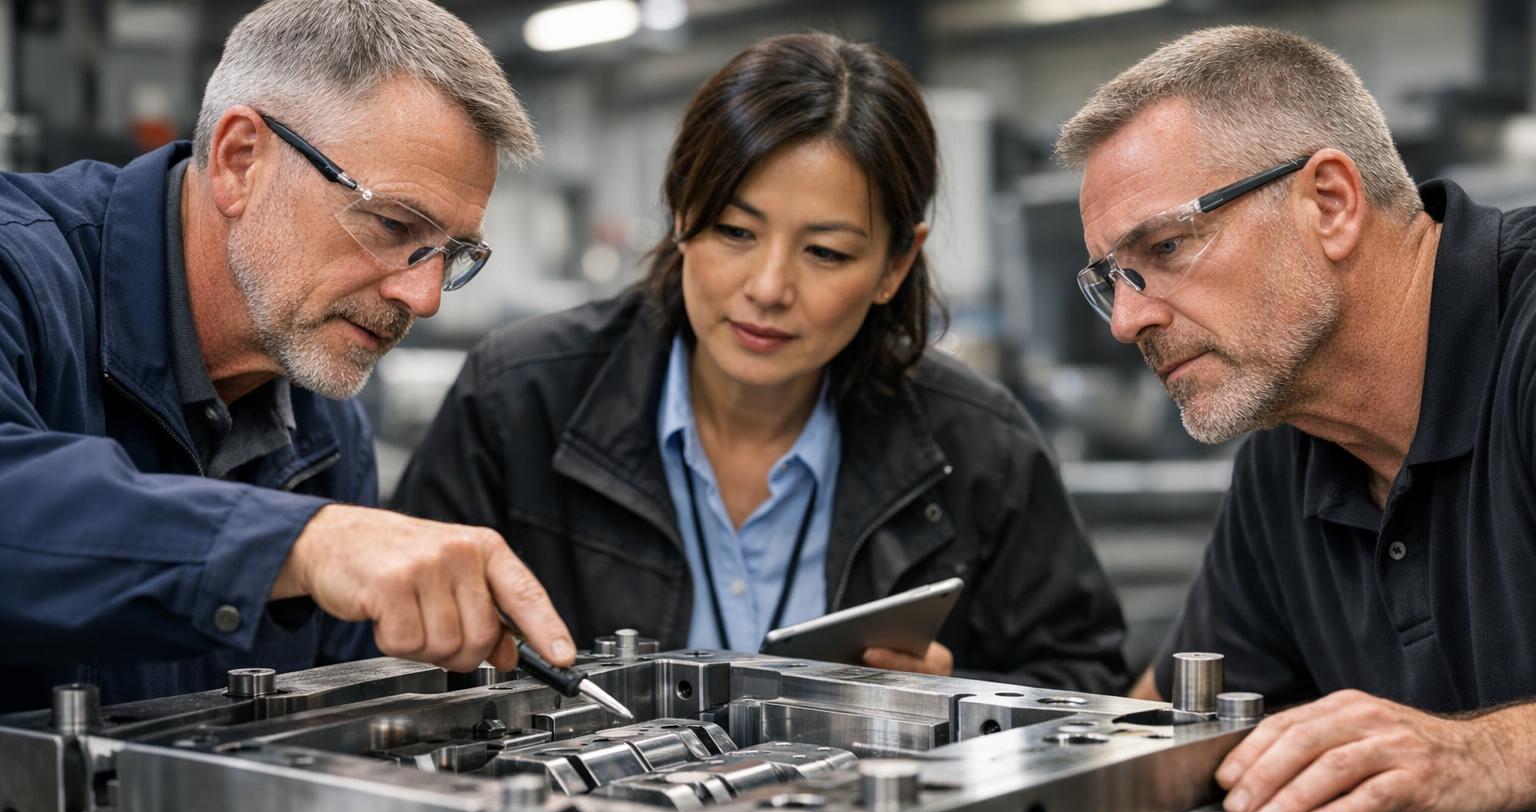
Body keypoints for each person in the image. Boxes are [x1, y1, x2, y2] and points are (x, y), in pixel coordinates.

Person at [394, 32, 1127, 691]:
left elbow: (1086, 681)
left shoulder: (979, 447)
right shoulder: (519, 398)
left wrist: (954, 694)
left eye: (826, 253)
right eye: (735, 232)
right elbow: (392, 657)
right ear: (682, 215)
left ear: (895, 265)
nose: (769, 288)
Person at [1056, 25, 1536, 812]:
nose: (1129, 322)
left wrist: (1483, 753)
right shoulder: (1292, 450)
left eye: (1163, 250)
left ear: (1329, 202)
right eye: (1110, 281)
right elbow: (1163, 724)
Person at [0, 0, 578, 715]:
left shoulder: (327, 433)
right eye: (394, 224)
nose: (424, 297)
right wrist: (302, 543)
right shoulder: (19, 275)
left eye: (452, 254)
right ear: (240, 159)